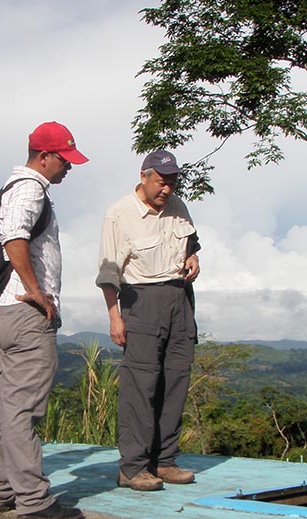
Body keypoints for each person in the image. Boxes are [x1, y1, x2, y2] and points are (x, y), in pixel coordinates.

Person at [0, 121, 88, 519]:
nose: (68, 168)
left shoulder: (7, 189)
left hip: (0, 314)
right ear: (44, 156)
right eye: (64, 159)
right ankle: (33, 499)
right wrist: (36, 290)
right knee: (22, 408)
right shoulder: (29, 189)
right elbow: (14, 236)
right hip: (25, 315)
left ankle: (0, 489)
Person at [95, 150, 201, 491]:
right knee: (140, 387)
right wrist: (115, 317)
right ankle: (132, 467)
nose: (166, 189)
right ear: (144, 176)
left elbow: (190, 243)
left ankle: (164, 460)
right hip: (140, 301)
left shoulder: (178, 206)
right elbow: (109, 272)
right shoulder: (120, 214)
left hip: (180, 299)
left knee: (175, 382)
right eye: (160, 182)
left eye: (171, 183)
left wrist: (194, 257)